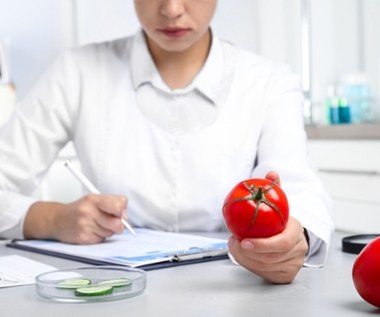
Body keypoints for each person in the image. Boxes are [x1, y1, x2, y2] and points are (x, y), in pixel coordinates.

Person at [0, 0, 334, 284]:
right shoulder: (77, 71)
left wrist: (292, 240)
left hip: (235, 292)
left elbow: (300, 188)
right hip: (116, 289)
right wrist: (50, 219)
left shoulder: (270, 82)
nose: (171, 10)